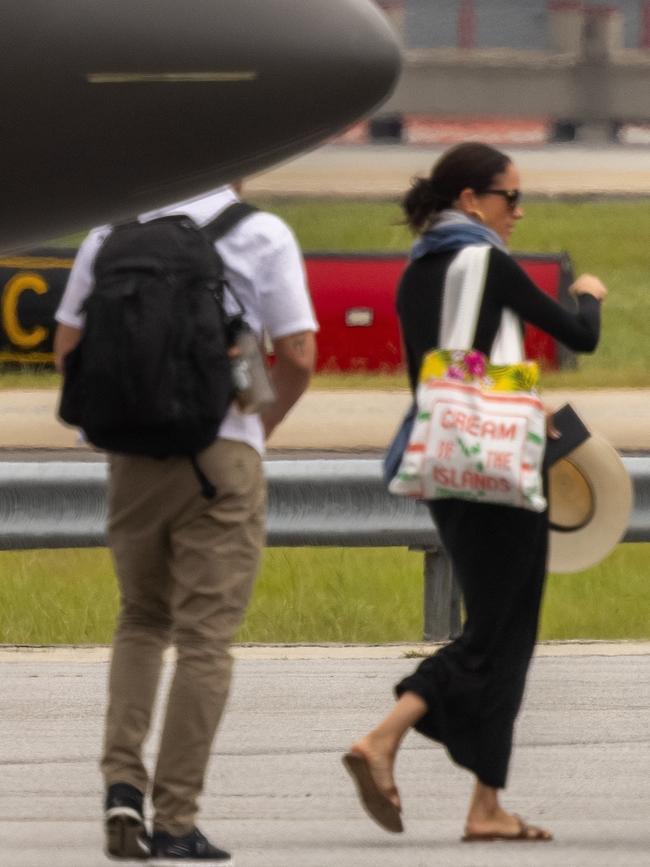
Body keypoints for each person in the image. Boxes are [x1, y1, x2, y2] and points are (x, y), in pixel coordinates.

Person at [343, 142, 606, 842]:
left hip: (445, 466)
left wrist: (514, 394)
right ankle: (385, 736)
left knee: (505, 631)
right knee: (498, 630)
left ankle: (487, 804)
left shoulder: (416, 271)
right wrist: (590, 294)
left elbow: (449, 374)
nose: (518, 212)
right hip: (501, 472)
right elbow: (578, 334)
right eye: (509, 197)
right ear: (471, 200)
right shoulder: (486, 260)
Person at [54, 184, 318, 865]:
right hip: (223, 453)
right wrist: (257, 428)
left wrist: (121, 421)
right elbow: (298, 353)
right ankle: (175, 819)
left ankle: (121, 785)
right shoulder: (261, 233)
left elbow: (67, 346)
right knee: (205, 640)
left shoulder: (110, 231)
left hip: (133, 457)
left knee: (141, 617)